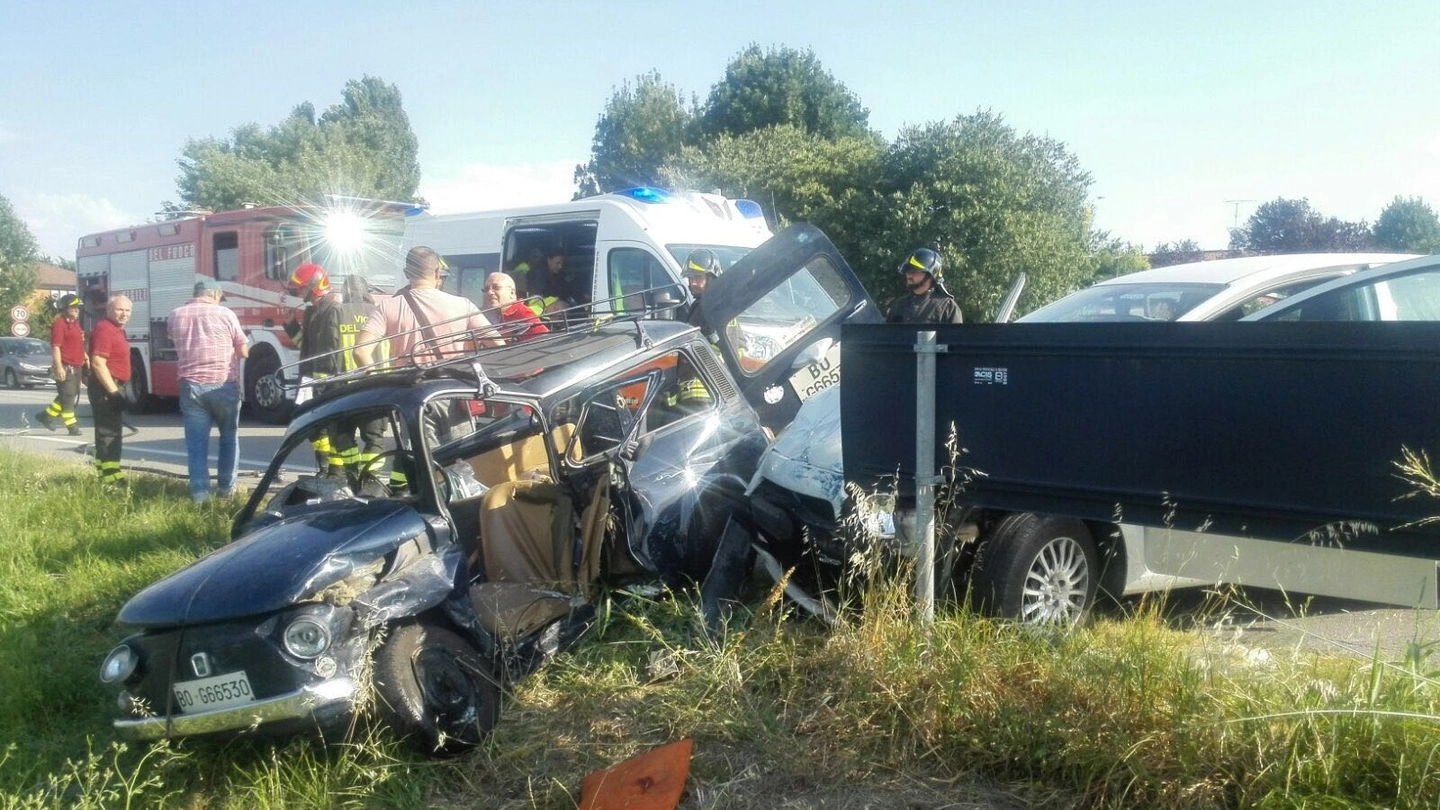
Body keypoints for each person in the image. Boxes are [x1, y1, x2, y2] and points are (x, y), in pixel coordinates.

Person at [168, 280, 250, 503]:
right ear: (214, 294)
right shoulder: (225, 314)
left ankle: (200, 495)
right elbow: (243, 351)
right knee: (229, 438)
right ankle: (226, 490)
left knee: (196, 443)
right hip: (223, 384)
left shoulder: (175, 315)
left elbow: (173, 339)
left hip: (191, 385)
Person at [353, 246, 501, 369]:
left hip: (408, 394)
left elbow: (360, 351)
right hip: (452, 392)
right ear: (437, 272)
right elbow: (498, 344)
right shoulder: (464, 305)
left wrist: (377, 384)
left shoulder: (387, 307)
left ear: (406, 273)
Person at [282, 263, 346, 474]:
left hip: (324, 382)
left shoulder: (331, 310)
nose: (298, 292)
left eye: (301, 288)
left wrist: (320, 384)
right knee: (314, 428)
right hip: (311, 381)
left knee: (333, 427)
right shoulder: (313, 311)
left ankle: (335, 474)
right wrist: (291, 325)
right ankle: (323, 467)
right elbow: (307, 347)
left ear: (313, 286)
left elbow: (329, 353)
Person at [86, 296, 133, 485]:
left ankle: (105, 473)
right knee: (109, 432)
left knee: (111, 430)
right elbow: (98, 363)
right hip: (106, 387)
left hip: (113, 384)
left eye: (128, 311)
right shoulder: (104, 329)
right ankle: (111, 477)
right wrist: (113, 392)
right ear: (108, 310)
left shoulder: (117, 330)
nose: (124, 314)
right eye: (120, 310)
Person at [37, 293, 87, 436]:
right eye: (74, 307)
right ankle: (72, 426)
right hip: (66, 366)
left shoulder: (75, 323)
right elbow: (56, 346)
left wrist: (86, 356)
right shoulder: (59, 324)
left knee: (68, 394)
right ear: (65, 308)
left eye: (78, 307)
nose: (77, 309)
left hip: (77, 365)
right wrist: (58, 366)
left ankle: (46, 416)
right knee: (68, 396)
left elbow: (77, 343)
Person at [886, 248, 963, 325]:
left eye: (914, 271)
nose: (909, 275)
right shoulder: (899, 306)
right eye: (907, 271)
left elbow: (957, 336)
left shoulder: (948, 308)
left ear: (930, 276)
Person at [483, 272, 550, 341]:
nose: (489, 292)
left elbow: (544, 341)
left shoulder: (522, 313)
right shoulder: (493, 316)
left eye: (496, 287)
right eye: (486, 289)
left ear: (512, 293)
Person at [683, 248, 723, 340]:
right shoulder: (724, 304)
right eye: (690, 278)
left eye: (698, 277)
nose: (693, 283)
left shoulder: (707, 307)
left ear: (711, 279)